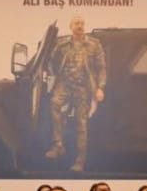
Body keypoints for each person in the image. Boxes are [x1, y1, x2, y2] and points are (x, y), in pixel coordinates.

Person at [43, 15, 106, 173]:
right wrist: (53, 75)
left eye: (82, 23)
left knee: (81, 123)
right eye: (77, 23)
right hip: (64, 84)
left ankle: (80, 160)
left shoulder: (94, 44)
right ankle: (58, 144)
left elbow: (101, 67)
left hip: (83, 87)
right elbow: (51, 61)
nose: (80, 26)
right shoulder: (62, 44)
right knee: (54, 104)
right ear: (71, 27)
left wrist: (100, 87)